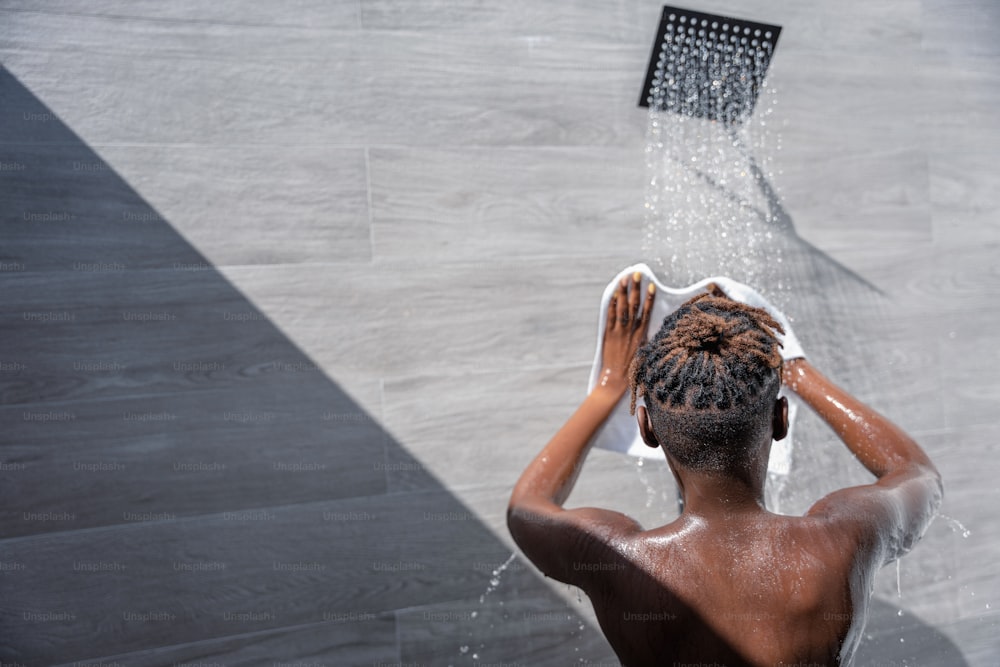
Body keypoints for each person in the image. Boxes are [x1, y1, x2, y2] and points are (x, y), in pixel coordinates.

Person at [507, 272, 943, 667]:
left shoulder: (617, 560)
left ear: (645, 427)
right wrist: (796, 368)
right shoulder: (844, 540)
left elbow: (527, 508)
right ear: (780, 420)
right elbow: (916, 472)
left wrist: (608, 387)